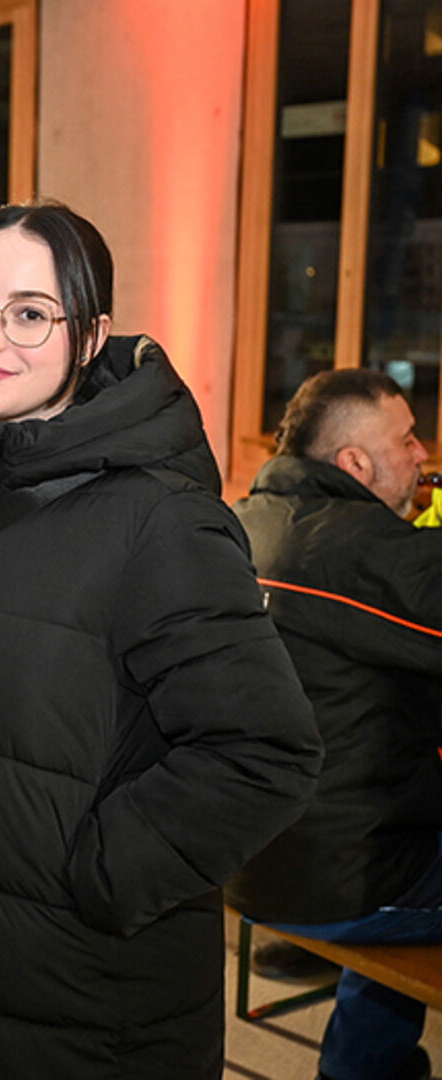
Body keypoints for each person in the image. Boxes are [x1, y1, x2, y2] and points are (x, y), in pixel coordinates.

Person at [0, 200, 322, 1079]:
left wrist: (99, 877)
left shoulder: (159, 519)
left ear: (91, 334)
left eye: (32, 313)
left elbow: (264, 751)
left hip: (87, 1010)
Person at [226, 369, 442, 1080]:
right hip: (334, 880)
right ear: (354, 463)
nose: (424, 456)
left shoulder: (242, 522)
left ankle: (363, 1068)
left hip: (244, 858)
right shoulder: (361, 548)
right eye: (408, 439)